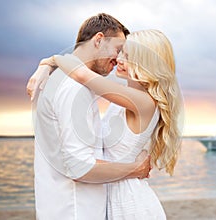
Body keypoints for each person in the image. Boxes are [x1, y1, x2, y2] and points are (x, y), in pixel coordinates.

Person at [28, 29, 183, 219]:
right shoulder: (125, 98)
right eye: (121, 52)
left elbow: (83, 75)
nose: (119, 59)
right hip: (112, 195)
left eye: (127, 55)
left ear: (145, 63)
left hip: (129, 203)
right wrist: (45, 65)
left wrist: (50, 60)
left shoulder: (144, 102)